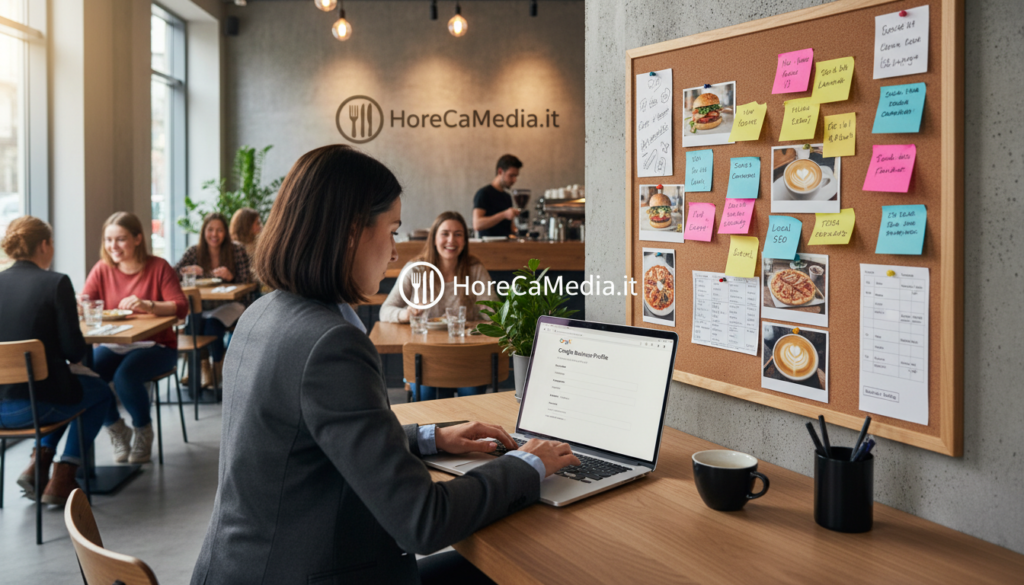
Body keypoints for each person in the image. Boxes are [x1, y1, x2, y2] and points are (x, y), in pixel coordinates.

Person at [190, 145, 578, 585]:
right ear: (352, 232)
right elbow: (423, 522)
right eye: (392, 230)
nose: (395, 252)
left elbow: (316, 443)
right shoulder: (331, 344)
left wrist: (432, 438)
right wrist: (528, 464)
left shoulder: (263, 312)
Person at [0, 217, 114, 506]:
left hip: (2, 408)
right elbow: (75, 351)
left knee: (64, 393)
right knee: (98, 392)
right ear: (44, 244)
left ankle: (38, 464)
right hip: (34, 406)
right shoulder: (56, 283)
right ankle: (64, 474)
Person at [82, 212, 188, 464]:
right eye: (109, 240)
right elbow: (87, 301)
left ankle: (143, 430)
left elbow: (180, 307)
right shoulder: (102, 269)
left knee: (125, 377)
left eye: (120, 239)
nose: (113, 246)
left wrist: (148, 304)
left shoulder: (158, 267)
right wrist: (79, 305)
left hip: (157, 345)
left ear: (138, 238)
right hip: (114, 344)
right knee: (86, 374)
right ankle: (117, 428)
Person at [380, 211, 496, 400]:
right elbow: (386, 310)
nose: (452, 240)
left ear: (465, 240)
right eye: (445, 233)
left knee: (472, 398)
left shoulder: (475, 269)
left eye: (458, 234)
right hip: (427, 359)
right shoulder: (415, 268)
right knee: (428, 397)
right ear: (434, 238)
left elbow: (493, 313)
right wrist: (407, 313)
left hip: (466, 357)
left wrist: (486, 309)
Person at [175, 212, 252, 387]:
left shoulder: (237, 250)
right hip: (202, 305)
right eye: (210, 230)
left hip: (231, 304)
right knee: (193, 325)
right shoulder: (194, 252)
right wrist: (186, 271)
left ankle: (217, 369)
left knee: (211, 325)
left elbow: (249, 282)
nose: (214, 235)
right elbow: (173, 273)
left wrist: (231, 277)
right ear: (203, 231)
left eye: (219, 230)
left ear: (226, 232)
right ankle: (201, 370)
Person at [472, 154, 522, 238]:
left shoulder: (507, 197)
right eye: (511, 175)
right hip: (488, 248)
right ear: (500, 171)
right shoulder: (484, 193)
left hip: (506, 247)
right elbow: (477, 224)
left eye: (516, 176)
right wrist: (504, 215)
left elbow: (511, 228)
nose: (514, 180)